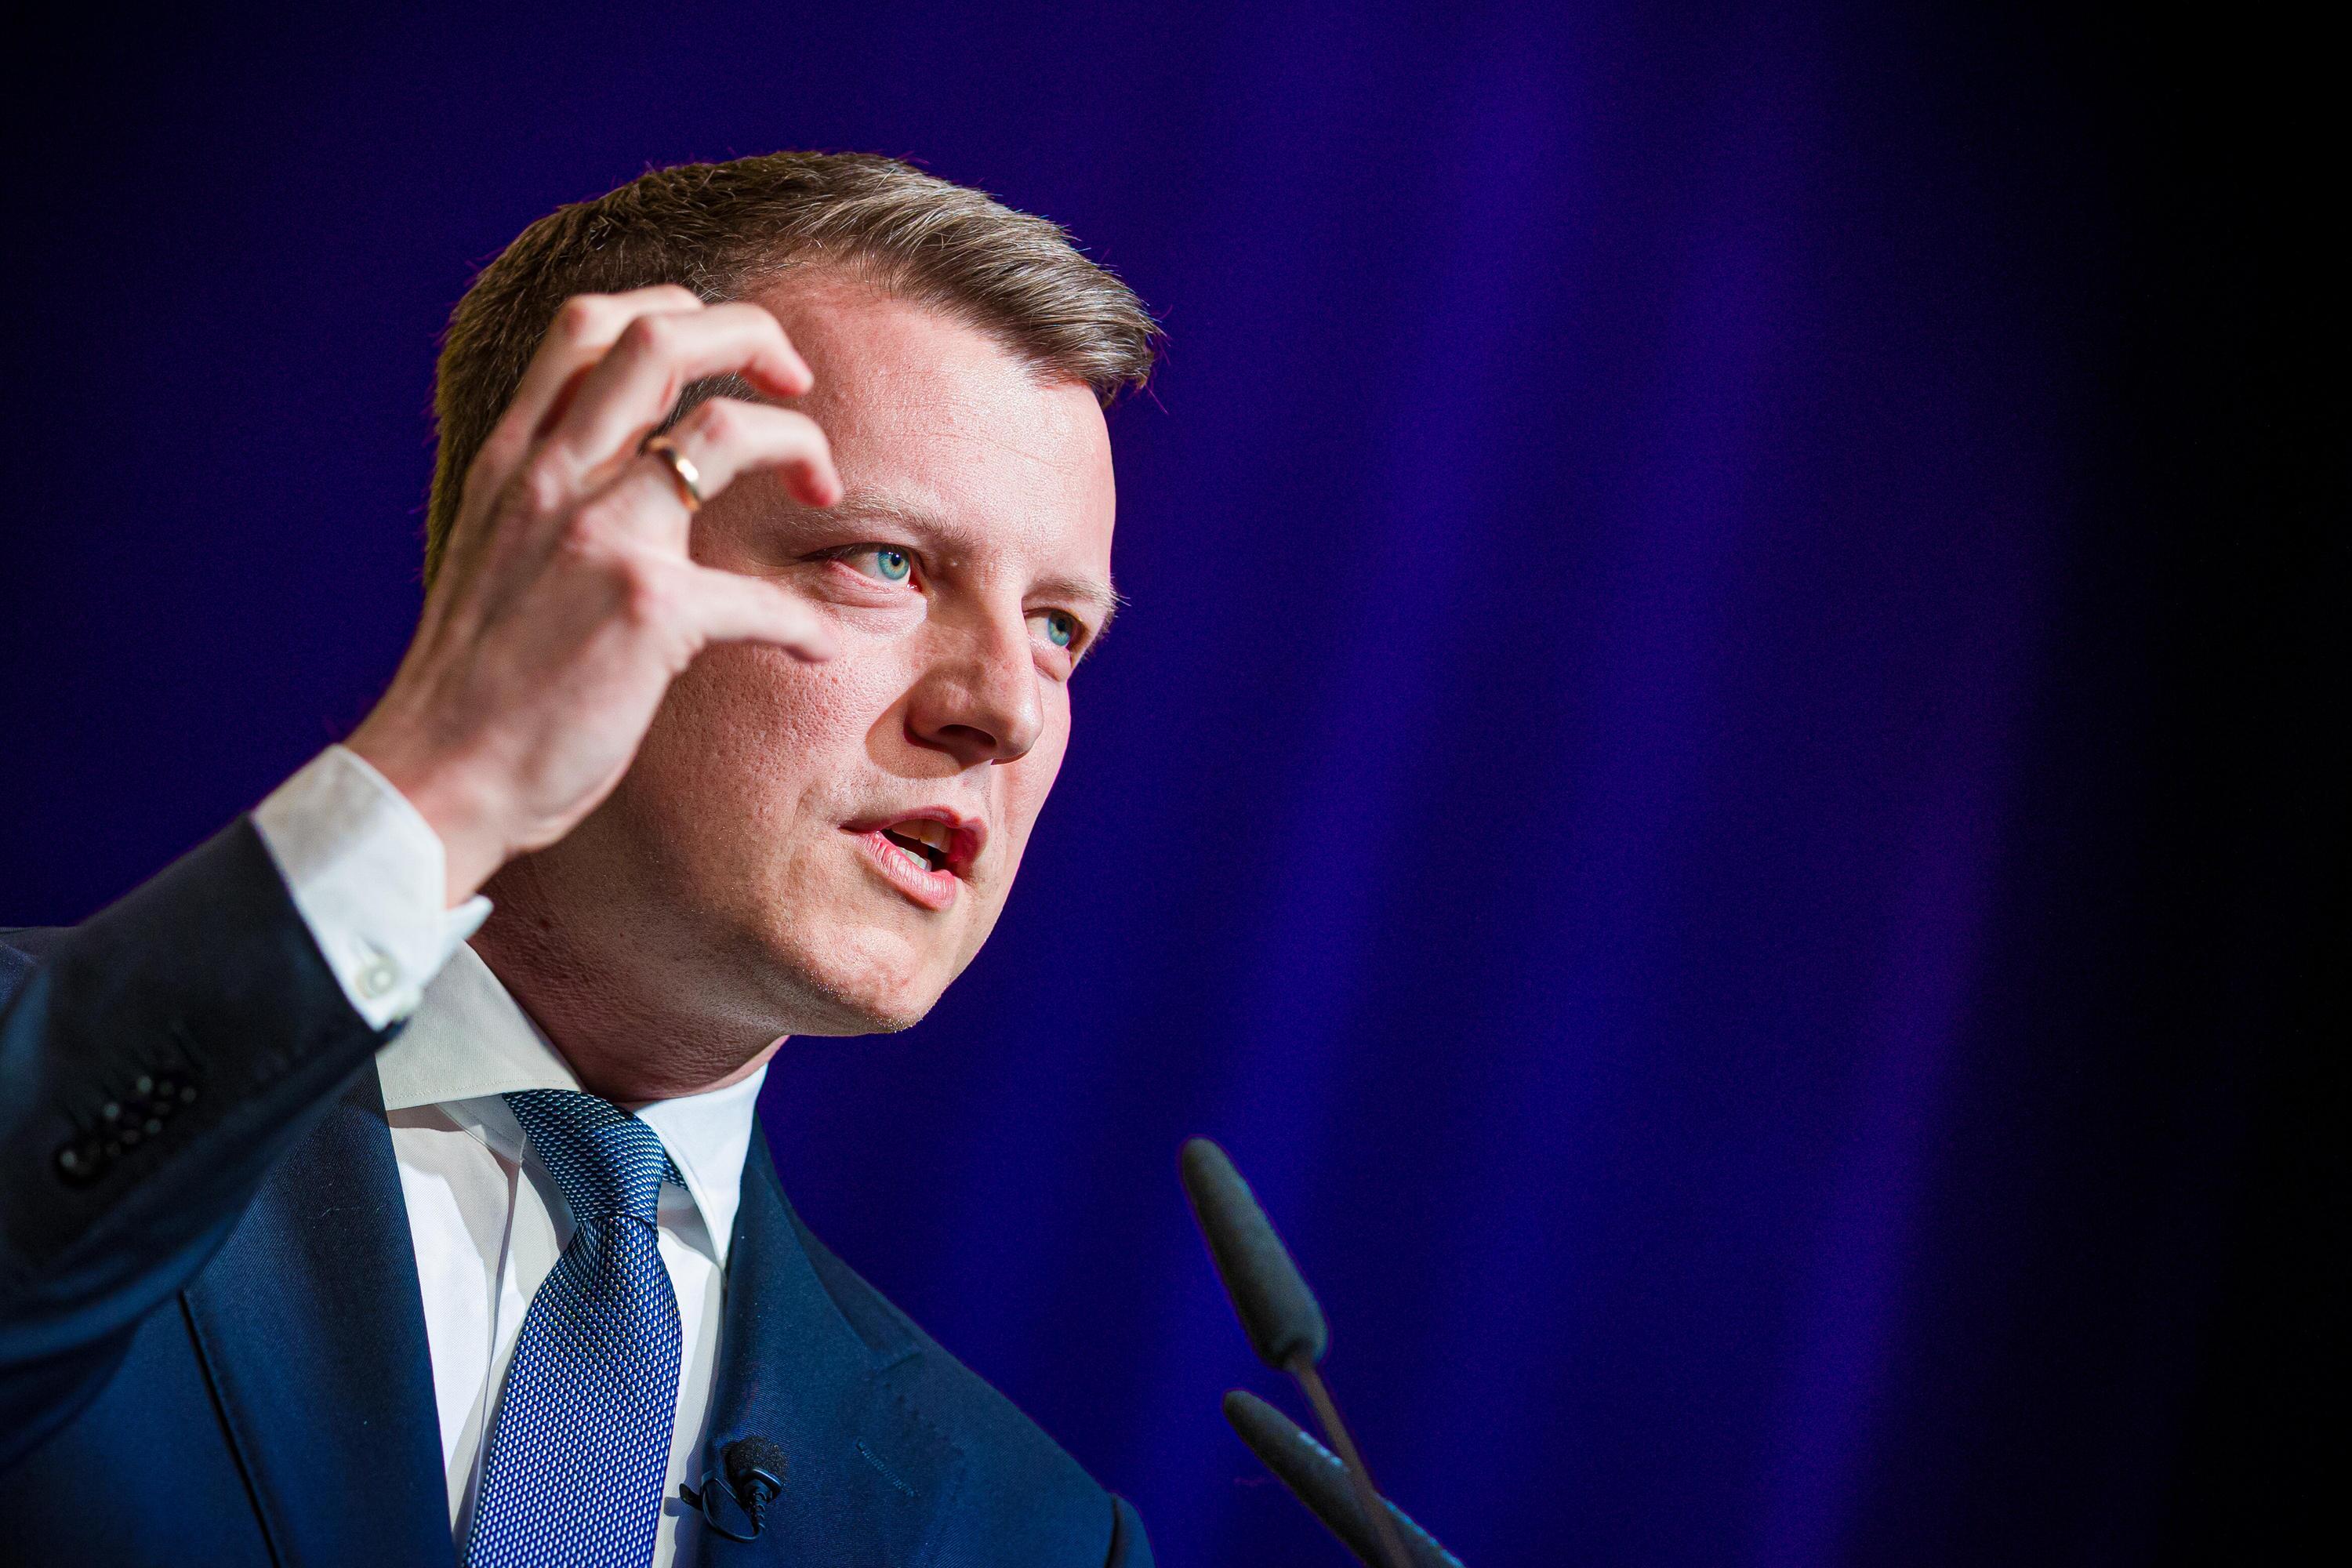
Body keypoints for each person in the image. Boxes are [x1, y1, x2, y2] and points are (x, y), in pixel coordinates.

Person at [0, 151, 1159, 1567]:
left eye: (1059, 627)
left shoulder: (1027, 1534)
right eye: (886, 562)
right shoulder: (58, 1098)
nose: (1007, 708)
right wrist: (444, 771)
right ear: (549, 555)